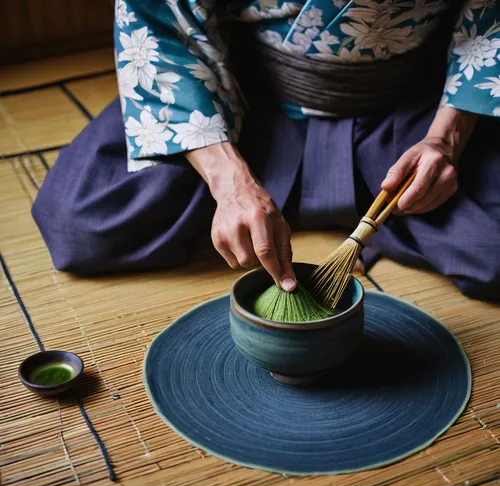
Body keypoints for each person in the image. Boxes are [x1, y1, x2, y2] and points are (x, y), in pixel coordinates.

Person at [32, 0, 500, 299]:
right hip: (247, 104)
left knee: (491, 252)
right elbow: (159, 22)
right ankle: (270, 200)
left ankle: (307, 201)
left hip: (409, 113)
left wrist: (446, 141)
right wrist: (229, 181)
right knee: (80, 221)